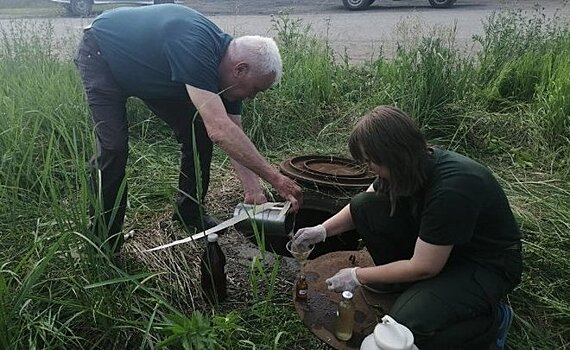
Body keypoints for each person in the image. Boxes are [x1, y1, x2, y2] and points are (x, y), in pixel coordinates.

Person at [74, 4, 302, 254]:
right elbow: (220, 129)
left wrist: (254, 190)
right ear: (240, 69)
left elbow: (233, 132)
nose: (252, 97)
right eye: (256, 89)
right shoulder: (196, 48)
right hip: (102, 54)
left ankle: (188, 212)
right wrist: (278, 180)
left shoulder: (230, 76)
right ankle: (104, 240)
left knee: (198, 129)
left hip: (150, 70)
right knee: (113, 147)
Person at [293, 105, 522, 350]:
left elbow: (425, 267)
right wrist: (322, 230)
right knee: (364, 205)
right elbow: (362, 203)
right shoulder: (409, 167)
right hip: (440, 248)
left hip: (483, 266)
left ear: (395, 157)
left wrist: (357, 275)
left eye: (371, 161)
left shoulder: (453, 190)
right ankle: (408, 287)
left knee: (403, 331)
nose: (369, 168)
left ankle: (492, 321)